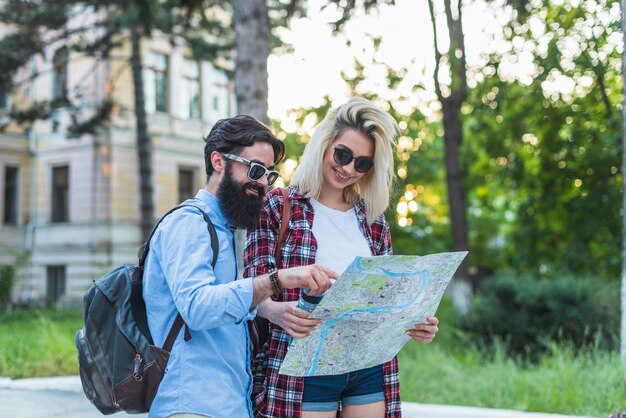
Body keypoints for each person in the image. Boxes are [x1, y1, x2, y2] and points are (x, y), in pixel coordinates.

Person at [244, 98, 440, 418]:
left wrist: (415, 322)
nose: (348, 168)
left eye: (362, 163)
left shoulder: (373, 221)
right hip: (305, 364)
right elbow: (249, 287)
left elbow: (388, 299)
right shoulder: (279, 207)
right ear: (324, 145)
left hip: (368, 363)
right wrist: (276, 311)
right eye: (343, 154)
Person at [142, 115, 335, 418]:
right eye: (255, 169)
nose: (262, 183)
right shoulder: (189, 223)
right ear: (218, 161)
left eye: (269, 175)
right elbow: (197, 307)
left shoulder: (222, 231)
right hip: (191, 404)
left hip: (225, 404)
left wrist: (268, 309)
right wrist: (276, 280)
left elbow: (220, 299)